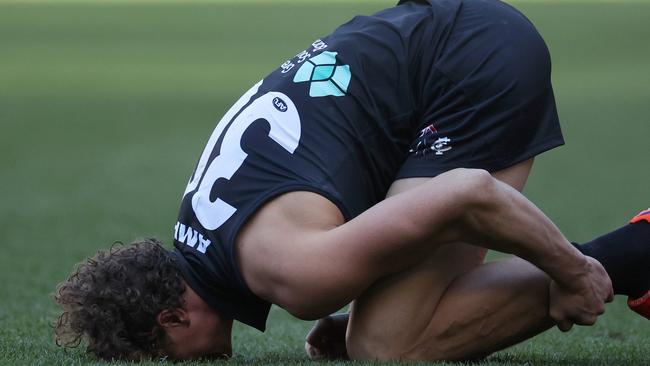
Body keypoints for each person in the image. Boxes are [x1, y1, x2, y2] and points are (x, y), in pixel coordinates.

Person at [54, 0, 650, 362]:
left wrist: (575, 274)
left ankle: (633, 254)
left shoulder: (291, 271)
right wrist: (372, 298)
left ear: (171, 320)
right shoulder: (204, 223)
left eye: (167, 360)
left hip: (472, 68)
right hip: (444, 48)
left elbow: (469, 193)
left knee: (388, 346)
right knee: (382, 329)